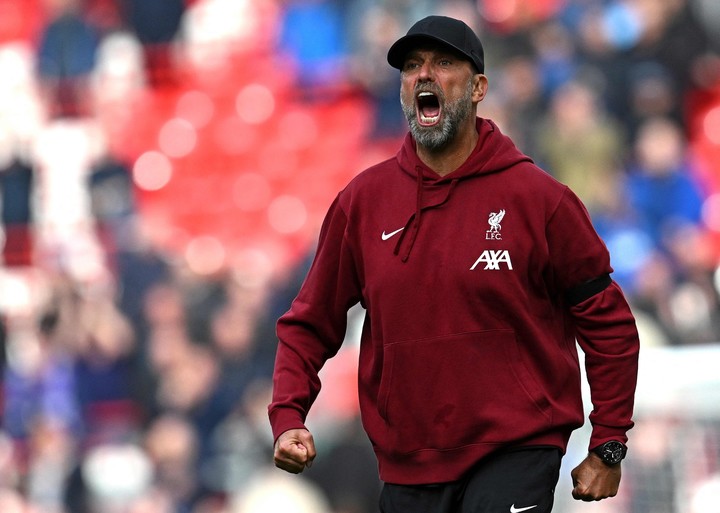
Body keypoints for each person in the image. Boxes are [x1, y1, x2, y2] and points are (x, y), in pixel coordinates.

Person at [268, 15, 640, 513]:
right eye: (412, 66)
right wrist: (289, 414)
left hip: (518, 451)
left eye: (444, 63)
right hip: (406, 464)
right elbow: (311, 322)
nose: (424, 75)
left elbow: (609, 326)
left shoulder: (540, 200)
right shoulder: (363, 202)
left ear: (479, 87)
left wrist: (608, 442)